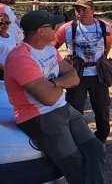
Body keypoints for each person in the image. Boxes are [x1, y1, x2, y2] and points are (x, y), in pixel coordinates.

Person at [4, 10, 105, 183]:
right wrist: (61, 83)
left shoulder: (49, 49)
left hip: (62, 108)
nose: (56, 29)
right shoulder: (20, 58)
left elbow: (74, 77)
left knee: (95, 148)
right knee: (74, 163)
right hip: (39, 116)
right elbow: (48, 98)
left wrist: (53, 83)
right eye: (52, 26)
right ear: (40, 31)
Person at [54, 0, 112, 143]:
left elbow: (107, 48)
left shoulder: (105, 27)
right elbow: (51, 48)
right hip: (76, 76)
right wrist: (63, 64)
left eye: (84, 10)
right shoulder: (67, 28)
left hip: (98, 76)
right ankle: (80, 140)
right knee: (74, 112)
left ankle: (100, 140)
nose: (80, 14)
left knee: (102, 111)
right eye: (77, 10)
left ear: (93, 10)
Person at [0, 13, 17, 83]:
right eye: (1, 23)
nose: (5, 25)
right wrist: (8, 72)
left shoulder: (11, 35)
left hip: (13, 68)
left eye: (7, 22)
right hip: (2, 72)